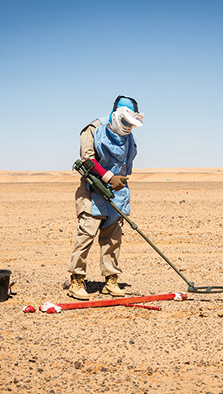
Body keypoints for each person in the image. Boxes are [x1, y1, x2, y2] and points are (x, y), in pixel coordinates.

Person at [68, 95, 144, 300]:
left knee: (113, 240)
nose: (128, 126)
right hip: (93, 193)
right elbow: (88, 160)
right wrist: (109, 177)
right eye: (126, 121)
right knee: (86, 236)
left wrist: (118, 182)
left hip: (118, 194)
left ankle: (111, 280)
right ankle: (77, 280)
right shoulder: (93, 129)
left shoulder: (128, 134)